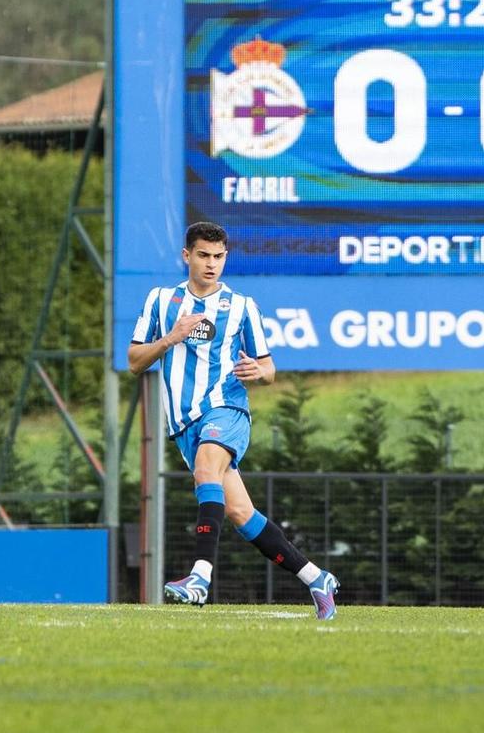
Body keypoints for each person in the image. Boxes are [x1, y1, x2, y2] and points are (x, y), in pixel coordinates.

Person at [126, 221, 339, 616]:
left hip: (227, 408)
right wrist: (171, 338)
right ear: (186, 256)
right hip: (184, 424)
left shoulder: (242, 307)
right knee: (241, 514)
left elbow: (269, 366)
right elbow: (135, 362)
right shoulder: (159, 300)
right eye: (203, 256)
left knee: (208, 467)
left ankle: (199, 578)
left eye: (219, 257)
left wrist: (260, 373)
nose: (211, 264)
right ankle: (316, 577)